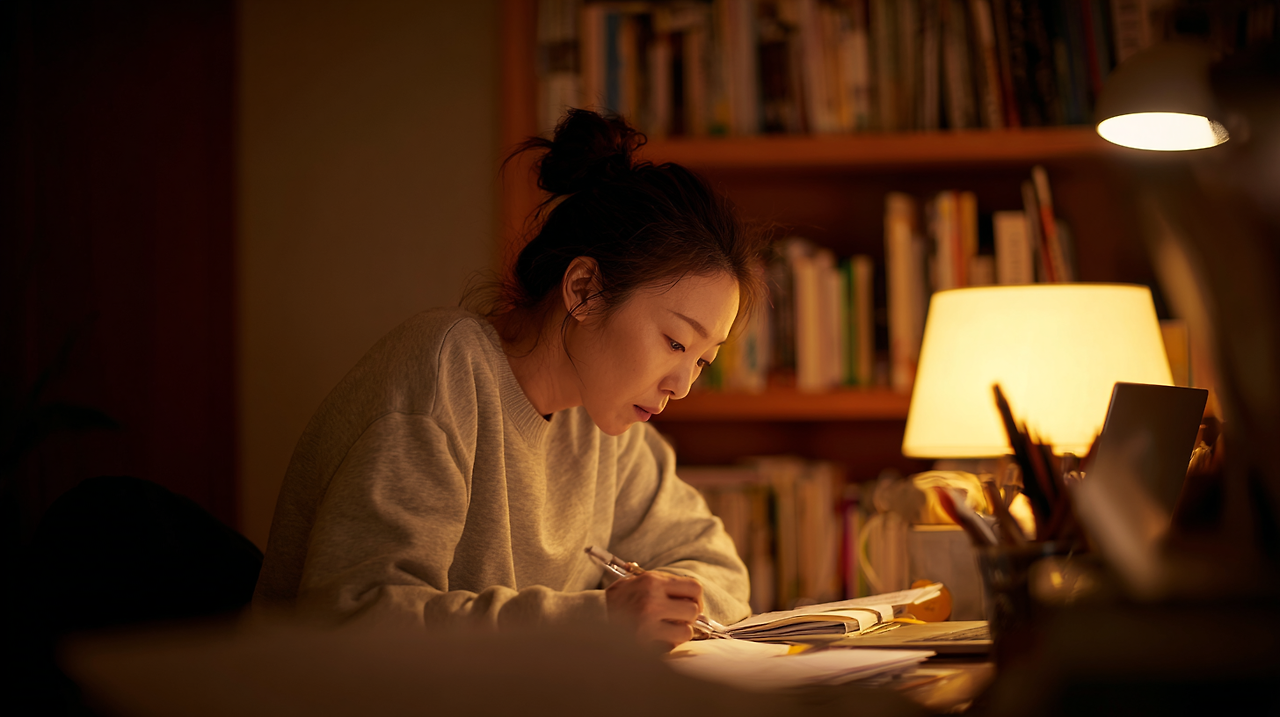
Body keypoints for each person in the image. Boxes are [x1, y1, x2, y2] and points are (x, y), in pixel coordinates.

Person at [253, 109, 771, 650]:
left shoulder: (607, 426)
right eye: (675, 343)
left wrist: (658, 610)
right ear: (585, 289)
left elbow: (721, 574)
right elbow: (351, 622)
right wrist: (596, 621)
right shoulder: (445, 371)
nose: (682, 386)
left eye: (703, 362)